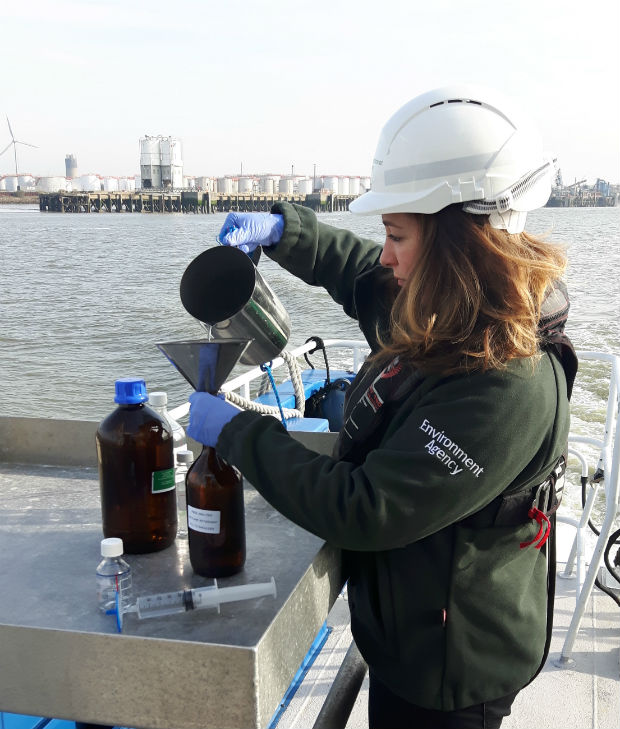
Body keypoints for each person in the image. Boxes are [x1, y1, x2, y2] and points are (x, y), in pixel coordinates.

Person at [187, 85, 576, 729]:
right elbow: (365, 275)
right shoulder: (456, 312)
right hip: (410, 632)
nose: (387, 253)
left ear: (460, 246)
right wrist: (290, 232)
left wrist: (238, 434)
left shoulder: (506, 380)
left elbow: (364, 509)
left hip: (450, 669)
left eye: (397, 234)